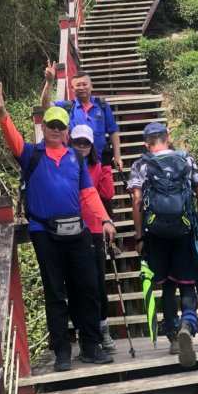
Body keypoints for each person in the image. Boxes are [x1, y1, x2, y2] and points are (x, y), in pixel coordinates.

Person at [0, 82, 116, 372]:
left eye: (61, 126)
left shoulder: (76, 158)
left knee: (86, 288)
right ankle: (62, 352)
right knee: (55, 292)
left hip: (78, 232)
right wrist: (3, 113)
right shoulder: (31, 154)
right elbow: (12, 138)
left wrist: (105, 219)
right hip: (44, 232)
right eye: (51, 126)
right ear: (43, 128)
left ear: (67, 130)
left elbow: (88, 194)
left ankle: (91, 346)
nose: (56, 131)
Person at [128, 123, 198, 368]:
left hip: (156, 234)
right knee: (187, 283)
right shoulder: (185, 160)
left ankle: (173, 337)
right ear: (168, 138)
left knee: (166, 285)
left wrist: (139, 235)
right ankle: (188, 324)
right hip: (184, 231)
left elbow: (137, 200)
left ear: (146, 143)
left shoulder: (141, 164)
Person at [68, 124, 116, 352]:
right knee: (77, 284)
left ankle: (102, 328)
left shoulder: (97, 166)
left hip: (95, 229)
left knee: (98, 283)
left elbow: (107, 194)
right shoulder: (65, 165)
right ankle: (83, 331)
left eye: (86, 143)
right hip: (72, 230)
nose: (82, 146)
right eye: (78, 142)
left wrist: (106, 167)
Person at [41, 63, 123, 171]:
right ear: (72, 89)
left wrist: (117, 156)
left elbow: (113, 131)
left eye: (85, 84)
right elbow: (46, 106)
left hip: (101, 163)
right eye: (78, 85)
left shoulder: (102, 105)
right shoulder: (68, 107)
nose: (82, 87)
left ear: (91, 86)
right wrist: (49, 82)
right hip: (75, 164)